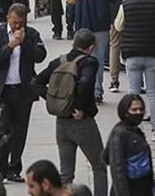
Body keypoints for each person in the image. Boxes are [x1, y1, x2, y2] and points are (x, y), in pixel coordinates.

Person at [32, 30, 107, 196]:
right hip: (82, 122)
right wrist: (77, 107)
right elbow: (86, 84)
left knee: (66, 173)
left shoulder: (58, 62)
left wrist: (56, 102)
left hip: (61, 123)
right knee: (99, 166)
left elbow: (36, 83)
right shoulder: (89, 63)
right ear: (91, 47)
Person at [0, 3, 47, 182]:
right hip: (2, 90)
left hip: (23, 90)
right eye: (14, 23)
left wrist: (24, 42)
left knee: (19, 131)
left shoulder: (32, 34)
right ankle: (0, 167)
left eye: (21, 22)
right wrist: (10, 46)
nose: (17, 26)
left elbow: (40, 55)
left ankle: (14, 167)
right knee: (4, 129)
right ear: (7, 18)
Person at [112, 0, 155, 142]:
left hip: (132, 53)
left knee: (133, 92)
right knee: (153, 93)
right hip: (153, 53)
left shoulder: (125, 4)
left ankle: (132, 128)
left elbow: (118, 27)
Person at [66, 0, 112, 102]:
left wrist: (70, 25)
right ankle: (97, 91)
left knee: (83, 60)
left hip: (82, 27)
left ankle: (87, 90)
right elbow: (112, 1)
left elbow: (70, 9)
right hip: (102, 26)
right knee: (98, 59)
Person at [103, 95, 154, 196]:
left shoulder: (135, 131)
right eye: (134, 110)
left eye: (141, 109)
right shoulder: (120, 134)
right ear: (125, 112)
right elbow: (117, 170)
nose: (138, 112)